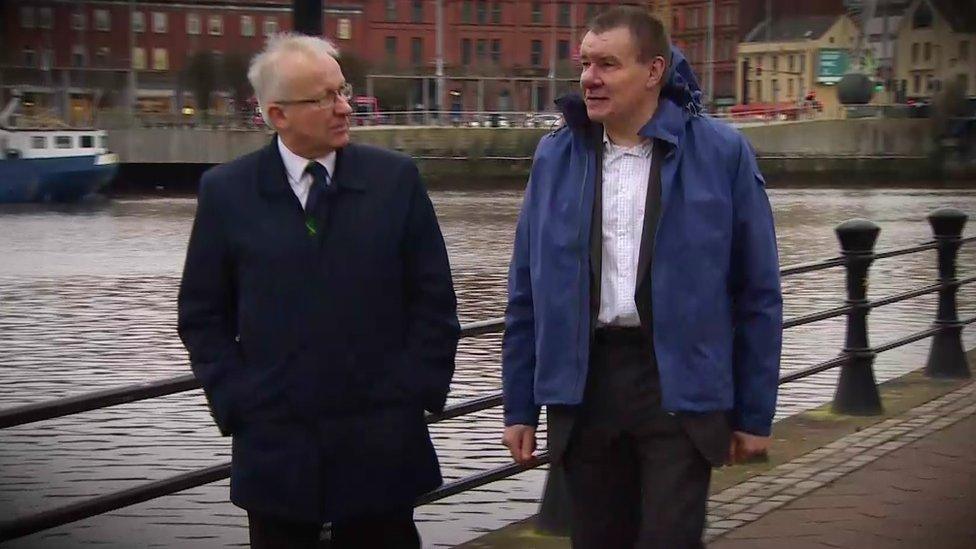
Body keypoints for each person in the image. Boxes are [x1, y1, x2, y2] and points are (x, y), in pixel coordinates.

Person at [501, 7, 782, 548]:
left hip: (678, 385)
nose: (589, 77)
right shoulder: (556, 156)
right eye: (585, 63)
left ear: (654, 71)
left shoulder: (721, 153)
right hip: (586, 383)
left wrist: (753, 412)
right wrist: (519, 404)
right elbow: (526, 289)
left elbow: (758, 293)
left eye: (608, 64)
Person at [177, 34, 460, 548]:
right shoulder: (226, 192)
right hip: (276, 450)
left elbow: (434, 301)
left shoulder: (395, 180)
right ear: (277, 115)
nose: (344, 107)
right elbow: (201, 314)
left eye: (342, 90)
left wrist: (412, 392)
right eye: (324, 98)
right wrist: (238, 399)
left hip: (381, 445)